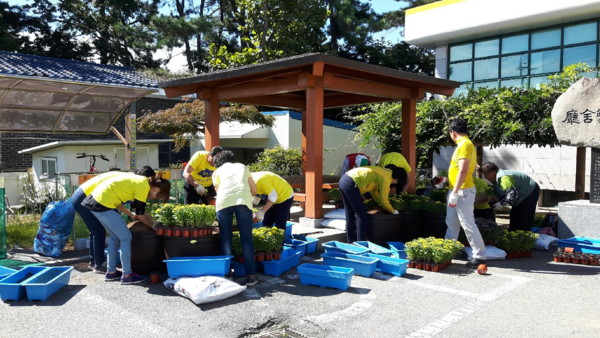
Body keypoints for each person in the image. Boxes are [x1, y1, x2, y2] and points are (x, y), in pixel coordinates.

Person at [82, 173, 171, 284]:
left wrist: (133, 215)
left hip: (95, 202)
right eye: (158, 197)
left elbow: (121, 204)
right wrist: (153, 226)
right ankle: (127, 275)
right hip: (103, 204)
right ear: (156, 190)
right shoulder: (143, 187)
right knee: (126, 237)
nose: (154, 199)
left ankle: (111, 272)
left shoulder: (141, 181)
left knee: (115, 237)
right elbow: (141, 214)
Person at [212, 150, 259, 287]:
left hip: (223, 204)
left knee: (226, 239)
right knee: (246, 240)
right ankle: (251, 276)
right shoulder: (242, 167)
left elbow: (218, 191)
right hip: (243, 202)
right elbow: (254, 190)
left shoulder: (216, 172)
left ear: (218, 162)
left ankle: (228, 273)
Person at [444, 118, 486, 268]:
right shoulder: (466, 144)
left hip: (462, 191)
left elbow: (463, 170)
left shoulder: (464, 145)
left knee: (467, 223)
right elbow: (459, 170)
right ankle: (450, 249)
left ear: (453, 133)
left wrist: (454, 192)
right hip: (459, 191)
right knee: (452, 222)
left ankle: (479, 255)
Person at [70, 171, 122, 273]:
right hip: (84, 199)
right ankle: (99, 265)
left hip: (78, 197)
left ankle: (94, 262)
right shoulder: (116, 182)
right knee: (99, 231)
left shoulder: (109, 177)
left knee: (94, 230)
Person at [339, 166, 405, 243]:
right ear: (397, 178)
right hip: (351, 183)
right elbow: (384, 199)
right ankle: (361, 244)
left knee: (350, 213)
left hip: (344, 180)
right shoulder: (387, 178)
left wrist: (380, 204)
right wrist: (393, 211)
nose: (394, 184)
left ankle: (351, 242)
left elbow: (375, 193)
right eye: (396, 182)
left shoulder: (384, 172)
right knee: (362, 214)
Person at [480, 161, 540, 232]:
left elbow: (512, 194)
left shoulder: (504, 178)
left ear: (491, 173)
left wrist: (500, 204)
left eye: (485, 174)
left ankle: (523, 237)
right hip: (520, 195)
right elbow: (503, 193)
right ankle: (514, 235)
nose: (485, 177)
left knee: (524, 216)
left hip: (530, 191)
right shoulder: (496, 180)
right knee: (515, 216)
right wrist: (497, 199)